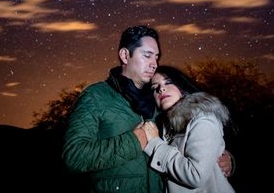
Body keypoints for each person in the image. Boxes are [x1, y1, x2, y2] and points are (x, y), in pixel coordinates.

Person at [62, 26, 233, 192]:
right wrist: (135, 141)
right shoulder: (95, 96)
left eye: (156, 57)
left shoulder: (163, 101)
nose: (154, 64)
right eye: (147, 56)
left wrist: (222, 161)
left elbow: (191, 143)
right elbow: (73, 157)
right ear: (125, 55)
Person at [141, 65, 236, 193]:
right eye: (154, 87)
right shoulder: (164, 124)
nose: (161, 89)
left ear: (182, 86)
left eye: (168, 82)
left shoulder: (203, 118)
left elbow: (195, 175)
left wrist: (155, 145)